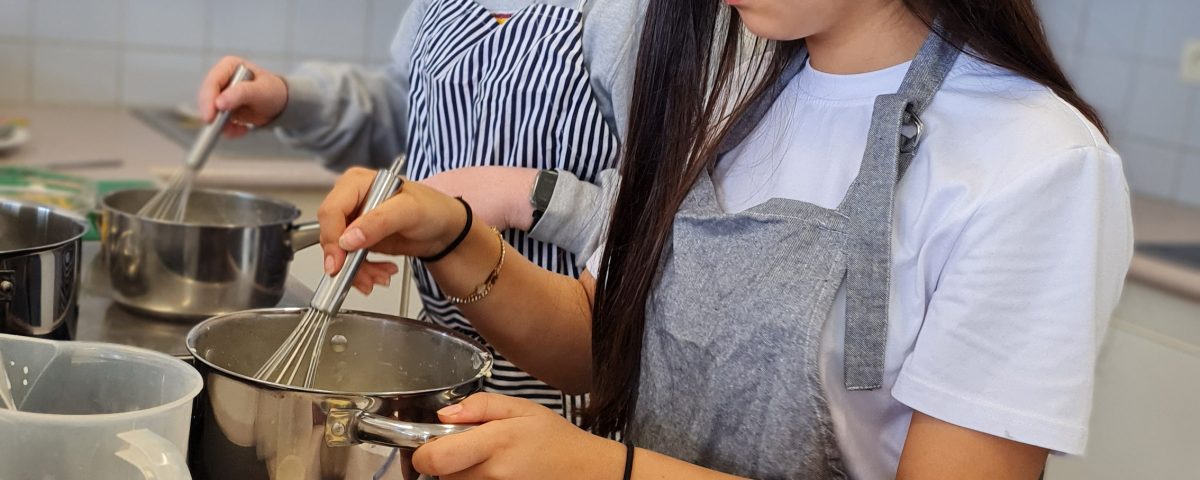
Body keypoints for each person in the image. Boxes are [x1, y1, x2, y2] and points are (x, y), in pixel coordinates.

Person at [316, 0, 1133, 477]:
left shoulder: (1036, 162)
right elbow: (603, 343)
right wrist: (454, 237)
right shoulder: (726, 94)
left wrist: (605, 469)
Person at [196, 0, 640, 421]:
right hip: (444, 358)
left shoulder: (630, 15)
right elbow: (406, 111)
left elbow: (663, 220)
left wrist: (528, 195)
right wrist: (291, 101)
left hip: (570, 389)